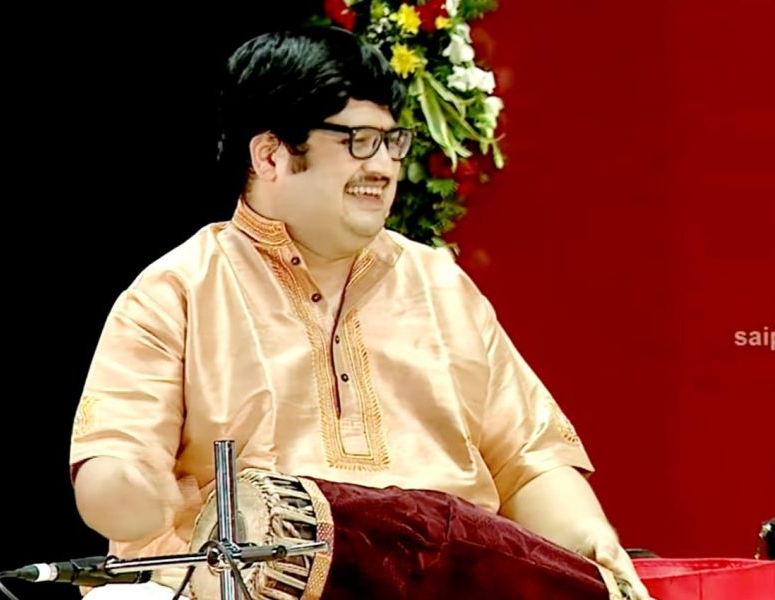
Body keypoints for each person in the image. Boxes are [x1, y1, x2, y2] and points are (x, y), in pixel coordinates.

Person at [69, 26, 651, 599]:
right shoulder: (179, 291)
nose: (384, 166)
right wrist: (129, 492)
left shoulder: (439, 285)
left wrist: (589, 543)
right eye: (357, 141)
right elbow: (112, 469)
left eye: (393, 142)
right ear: (271, 155)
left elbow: (527, 460)